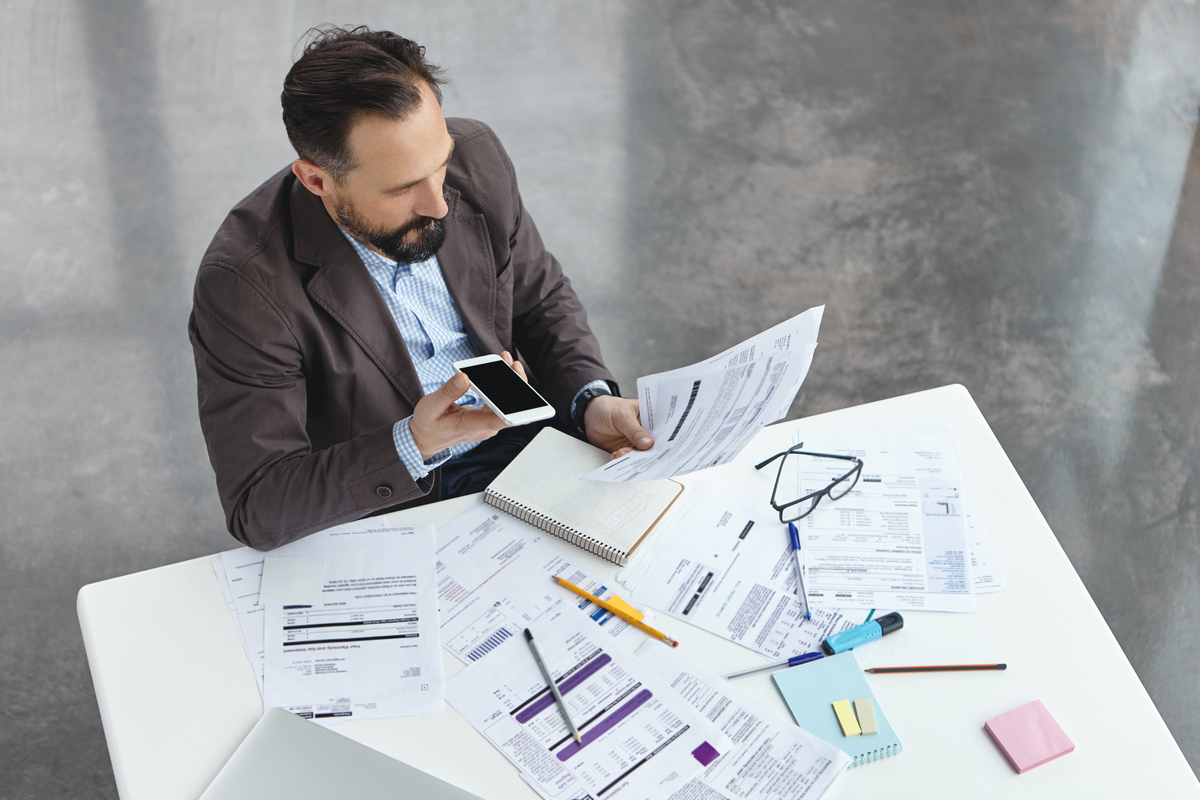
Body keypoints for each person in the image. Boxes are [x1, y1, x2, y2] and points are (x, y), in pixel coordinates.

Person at [189, 26, 652, 550]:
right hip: (391, 495)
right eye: (403, 187)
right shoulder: (245, 286)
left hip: (530, 444)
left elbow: (540, 300)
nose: (439, 205)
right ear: (317, 180)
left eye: (440, 165)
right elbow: (260, 505)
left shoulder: (478, 159)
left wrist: (588, 401)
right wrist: (414, 442)